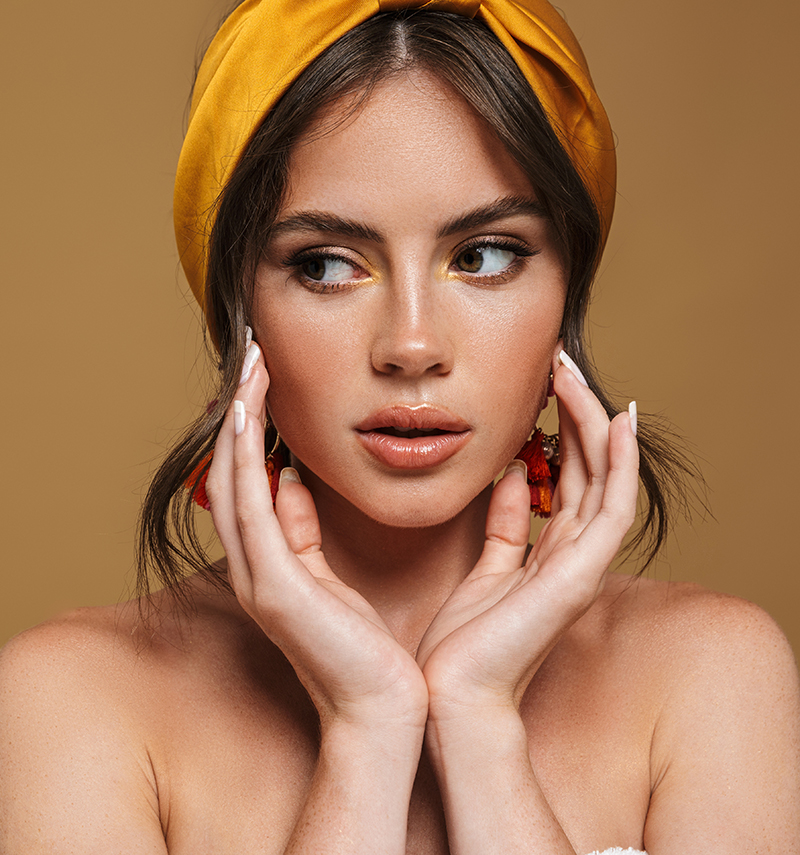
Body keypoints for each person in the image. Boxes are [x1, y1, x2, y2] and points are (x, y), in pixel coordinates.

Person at [1, 0, 798, 852]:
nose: (411, 345)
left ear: (568, 294)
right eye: (326, 264)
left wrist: (480, 723)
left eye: (484, 254)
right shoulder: (71, 699)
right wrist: (366, 726)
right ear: (238, 311)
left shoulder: (712, 677)